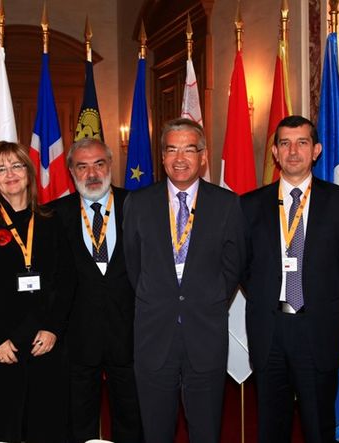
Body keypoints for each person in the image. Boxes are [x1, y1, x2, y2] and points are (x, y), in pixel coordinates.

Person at [123, 118, 245, 443]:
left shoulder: (226, 204)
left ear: (203, 156)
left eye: (189, 149)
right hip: (154, 334)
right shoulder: (138, 203)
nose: (180, 158)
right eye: (171, 149)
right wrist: (158, 296)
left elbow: (233, 266)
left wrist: (208, 296)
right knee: (156, 431)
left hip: (205, 332)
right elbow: (133, 265)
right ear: (162, 157)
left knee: (206, 431)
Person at [241, 115, 339, 442]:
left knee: (319, 427)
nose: (293, 151)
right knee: (271, 427)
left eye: (302, 142)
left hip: (317, 330)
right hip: (270, 330)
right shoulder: (249, 205)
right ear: (276, 154)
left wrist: (324, 305)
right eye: (285, 143)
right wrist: (267, 298)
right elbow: (244, 267)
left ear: (317, 150)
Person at [0, 141, 73, 442]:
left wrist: (53, 328)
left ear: (29, 172)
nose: (10, 174)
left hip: (44, 345)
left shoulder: (52, 220)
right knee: (1, 429)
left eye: (16, 166)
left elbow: (67, 281)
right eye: (0, 169)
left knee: (46, 428)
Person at [51, 137, 142, 443]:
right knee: (77, 421)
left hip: (129, 333)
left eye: (99, 164)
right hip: (76, 338)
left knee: (132, 419)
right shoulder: (52, 216)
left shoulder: (138, 206)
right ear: (71, 171)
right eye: (82, 166)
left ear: (110, 166)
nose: (92, 174)